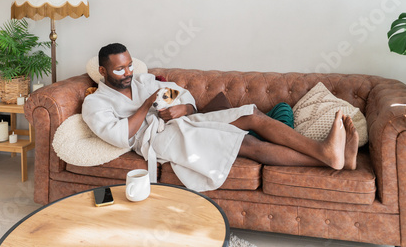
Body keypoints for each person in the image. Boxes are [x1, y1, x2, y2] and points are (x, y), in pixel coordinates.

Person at [82, 43, 359, 192]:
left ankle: (327, 153)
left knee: (252, 114)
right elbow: (120, 135)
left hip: (181, 122)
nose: (128, 73)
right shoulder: (96, 102)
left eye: (129, 66)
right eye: (120, 70)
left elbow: (182, 96)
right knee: (247, 144)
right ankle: (330, 158)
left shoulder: (144, 81)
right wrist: (145, 107)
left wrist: (184, 109)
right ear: (103, 71)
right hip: (159, 140)